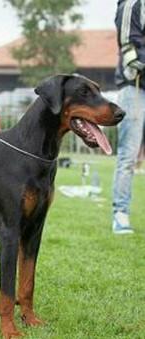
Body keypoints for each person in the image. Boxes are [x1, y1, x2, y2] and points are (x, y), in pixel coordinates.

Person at [112, 0, 145, 234]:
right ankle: (120, 214)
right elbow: (128, 46)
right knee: (128, 155)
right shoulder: (132, 4)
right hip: (134, 87)